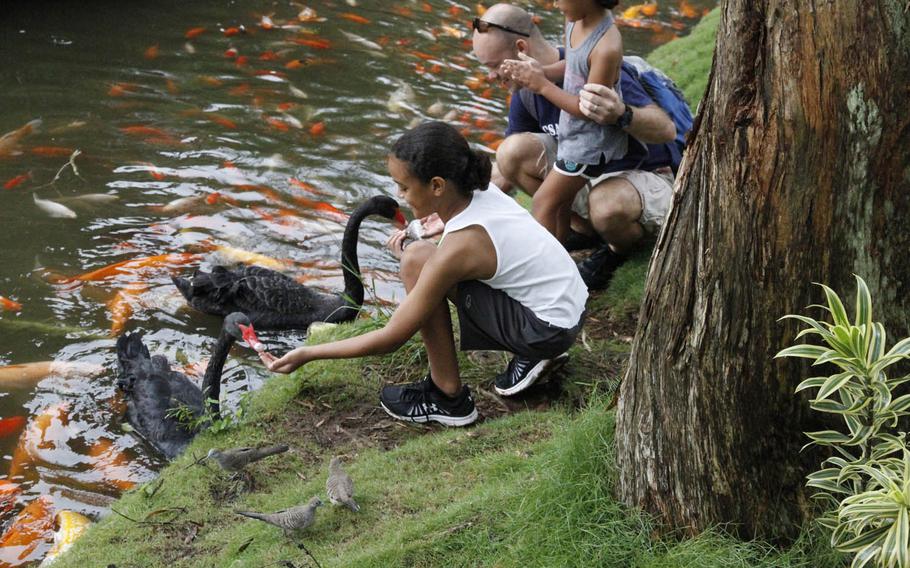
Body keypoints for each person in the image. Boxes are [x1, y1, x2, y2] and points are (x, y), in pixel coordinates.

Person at [260, 122, 588, 427]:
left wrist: (309, 353)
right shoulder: (481, 190)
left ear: (437, 186)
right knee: (419, 255)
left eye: (403, 187)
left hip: (547, 330)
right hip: (568, 307)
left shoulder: (461, 246)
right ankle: (528, 356)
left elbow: (392, 337)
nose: (400, 196)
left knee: (416, 262)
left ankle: (448, 398)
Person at [472, 4, 678, 289]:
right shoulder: (533, 81)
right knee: (512, 152)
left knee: (565, 203)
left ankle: (595, 258)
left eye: (493, 66)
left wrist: (621, 113)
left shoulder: (601, 55)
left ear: (521, 47)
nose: (491, 76)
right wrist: (459, 205)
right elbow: (505, 170)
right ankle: (579, 235)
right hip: (583, 160)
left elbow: (666, 129)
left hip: (634, 173)